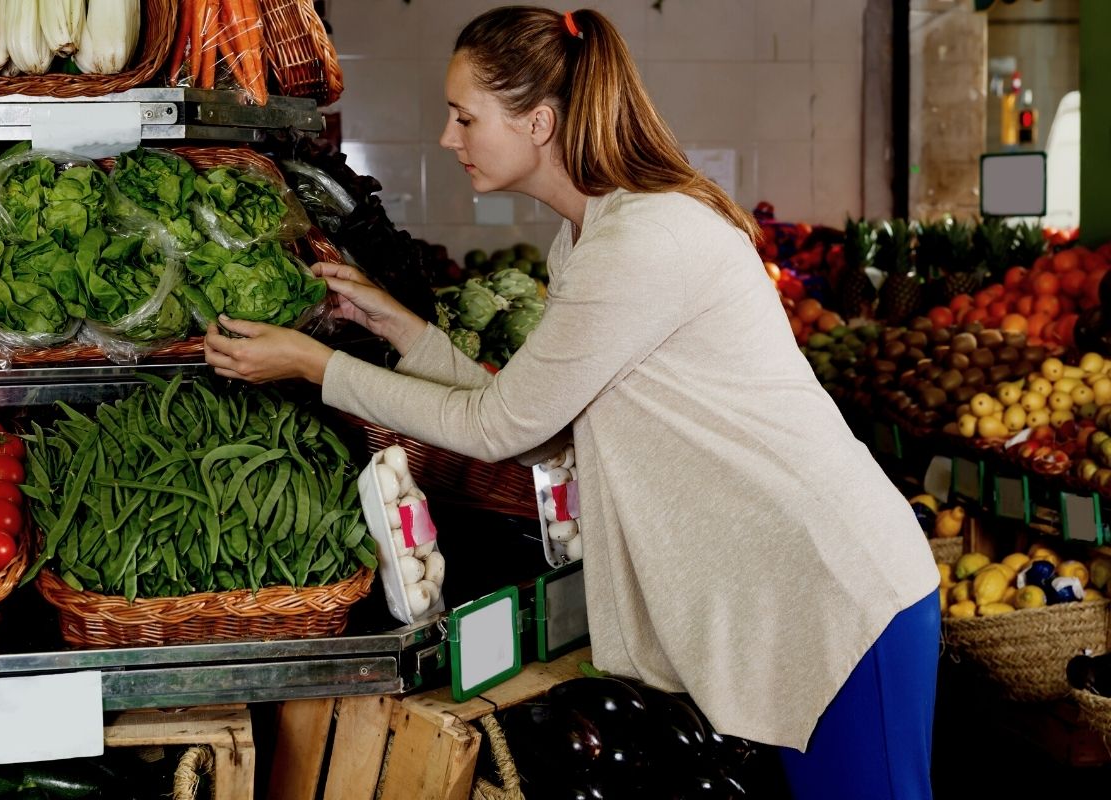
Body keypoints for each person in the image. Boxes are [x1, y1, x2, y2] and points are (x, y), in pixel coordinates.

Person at [204, 6, 941, 798]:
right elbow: (533, 417)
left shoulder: (641, 241)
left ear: (540, 123)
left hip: (832, 588)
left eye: (464, 117)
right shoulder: (593, 236)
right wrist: (403, 328)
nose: (450, 139)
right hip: (785, 589)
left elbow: (498, 428)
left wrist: (318, 368)